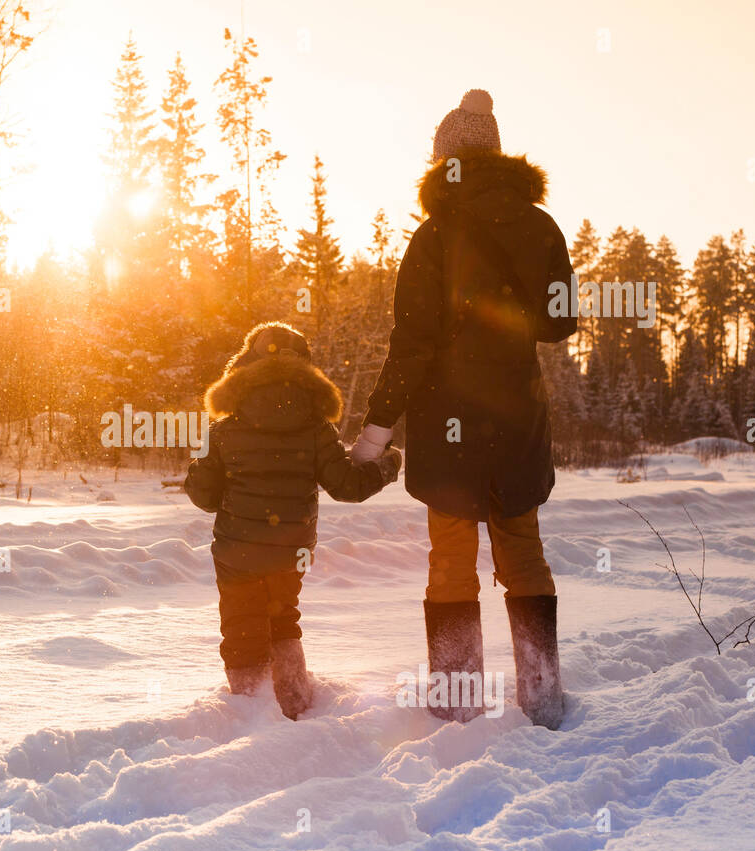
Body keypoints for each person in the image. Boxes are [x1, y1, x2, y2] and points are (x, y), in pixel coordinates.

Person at [351, 89, 577, 729]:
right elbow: (560, 323)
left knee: (450, 557)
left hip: (447, 417)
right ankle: (542, 696)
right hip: (516, 412)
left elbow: (412, 345)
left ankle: (456, 706)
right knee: (523, 548)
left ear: (445, 157)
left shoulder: (433, 236)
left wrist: (375, 431)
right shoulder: (542, 226)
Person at [186, 322, 402, 720]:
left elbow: (205, 497)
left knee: (240, 626)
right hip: (292, 550)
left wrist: (199, 467)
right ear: (305, 370)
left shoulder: (222, 429)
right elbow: (346, 485)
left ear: (245, 365)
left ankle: (250, 712)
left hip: (237, 549)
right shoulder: (316, 427)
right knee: (283, 618)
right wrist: (389, 465)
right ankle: (294, 704)